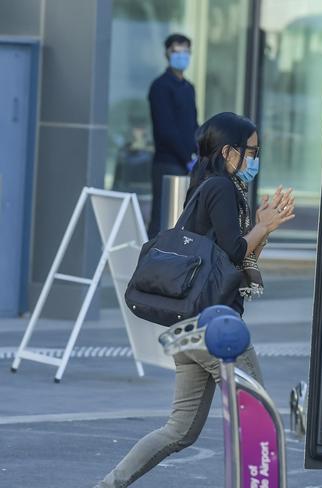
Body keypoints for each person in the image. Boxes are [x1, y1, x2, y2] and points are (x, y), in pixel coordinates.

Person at [94, 112, 295, 487]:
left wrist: (262, 229)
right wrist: (262, 226)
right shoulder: (220, 188)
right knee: (258, 421)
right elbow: (234, 251)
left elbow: (235, 260)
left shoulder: (207, 186)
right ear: (228, 151)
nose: (255, 158)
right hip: (215, 328)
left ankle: (110, 484)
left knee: (180, 430)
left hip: (190, 328)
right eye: (251, 150)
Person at [147, 33, 199, 238]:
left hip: (188, 163)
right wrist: (187, 158)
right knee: (162, 216)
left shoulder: (189, 87)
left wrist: (199, 153)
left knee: (183, 218)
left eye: (185, 51)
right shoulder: (160, 86)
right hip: (168, 163)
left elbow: (193, 125)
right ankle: (150, 262)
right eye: (176, 51)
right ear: (167, 54)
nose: (182, 56)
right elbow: (165, 129)